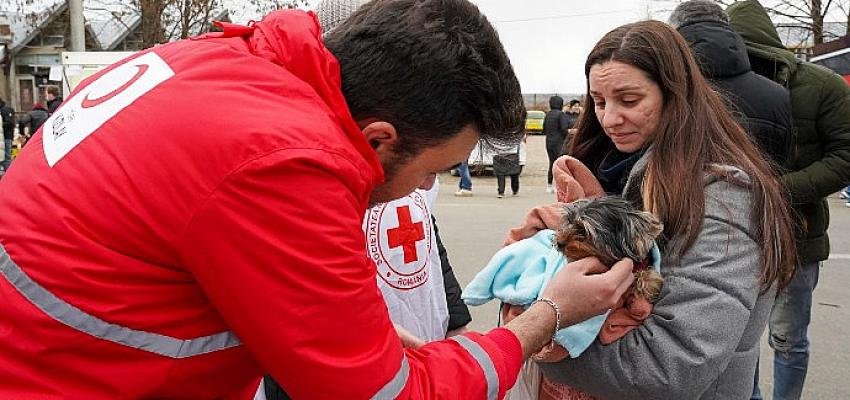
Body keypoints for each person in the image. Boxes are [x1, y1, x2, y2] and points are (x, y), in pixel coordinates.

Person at [0, 1, 634, 398]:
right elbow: (387, 395)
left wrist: (357, 329)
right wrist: (546, 315)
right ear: (379, 140)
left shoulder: (227, 63)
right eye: (428, 172)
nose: (421, 192)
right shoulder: (281, 164)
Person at [520, 20, 797, 399]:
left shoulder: (722, 196)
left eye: (629, 100)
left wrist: (532, 336)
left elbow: (671, 366)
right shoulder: (604, 168)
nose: (610, 118)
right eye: (599, 101)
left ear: (674, 95)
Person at [725, 1, 850, 399]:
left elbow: (846, 154)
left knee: (789, 337)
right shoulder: (717, 87)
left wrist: (781, 192)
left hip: (800, 234)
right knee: (742, 342)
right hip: (737, 238)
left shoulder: (821, 86)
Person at [263, 180, 473, 399]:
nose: (428, 184)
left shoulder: (413, 169)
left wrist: (456, 321)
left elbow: (429, 243)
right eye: (429, 171)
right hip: (343, 354)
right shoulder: (315, 181)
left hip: (420, 334)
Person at [669, 0, 792, 170]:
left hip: (677, 194)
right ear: (726, 25)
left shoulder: (664, 91)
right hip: (759, 193)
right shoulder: (779, 95)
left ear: (674, 31)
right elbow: (783, 160)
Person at [543, 95, 570, 193]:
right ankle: (561, 186)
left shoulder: (548, 114)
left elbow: (543, 129)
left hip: (549, 142)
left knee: (551, 163)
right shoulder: (561, 114)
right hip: (559, 142)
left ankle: (549, 185)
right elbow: (564, 129)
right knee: (561, 164)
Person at [0, 97, 13, 171]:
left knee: (7, 157)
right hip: (6, 136)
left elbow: (10, 123)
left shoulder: (5, 110)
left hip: (6, 136)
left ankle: (8, 173)